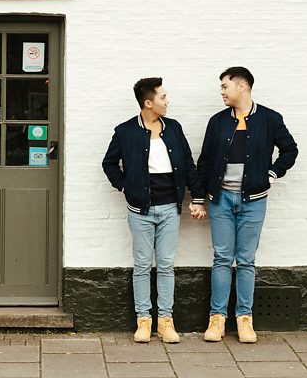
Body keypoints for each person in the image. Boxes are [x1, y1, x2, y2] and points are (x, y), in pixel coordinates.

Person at [192, 67, 297, 344]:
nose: (222, 92)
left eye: (225, 86)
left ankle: (244, 319)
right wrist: (200, 198)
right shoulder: (217, 122)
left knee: (247, 260)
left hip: (254, 200)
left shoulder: (269, 119)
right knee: (222, 259)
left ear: (242, 87)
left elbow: (290, 150)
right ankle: (217, 319)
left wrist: (272, 173)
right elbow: (204, 162)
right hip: (221, 199)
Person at [103, 77, 205, 344]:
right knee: (141, 266)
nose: (166, 101)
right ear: (148, 103)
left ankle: (166, 321)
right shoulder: (125, 131)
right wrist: (126, 187)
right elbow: (109, 163)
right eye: (162, 97)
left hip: (170, 207)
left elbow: (187, 163)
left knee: (166, 266)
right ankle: (143, 320)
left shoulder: (173, 128)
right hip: (140, 210)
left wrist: (198, 197)